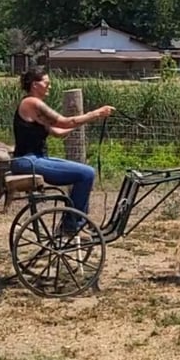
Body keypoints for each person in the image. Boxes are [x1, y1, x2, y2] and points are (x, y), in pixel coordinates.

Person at [11, 66, 114, 234]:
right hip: (28, 161)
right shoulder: (32, 103)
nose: (50, 86)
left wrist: (82, 122)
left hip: (33, 159)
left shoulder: (34, 106)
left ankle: (74, 222)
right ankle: (71, 225)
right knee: (86, 173)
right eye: (47, 83)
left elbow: (58, 132)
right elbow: (64, 122)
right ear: (35, 85)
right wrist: (95, 113)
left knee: (85, 173)